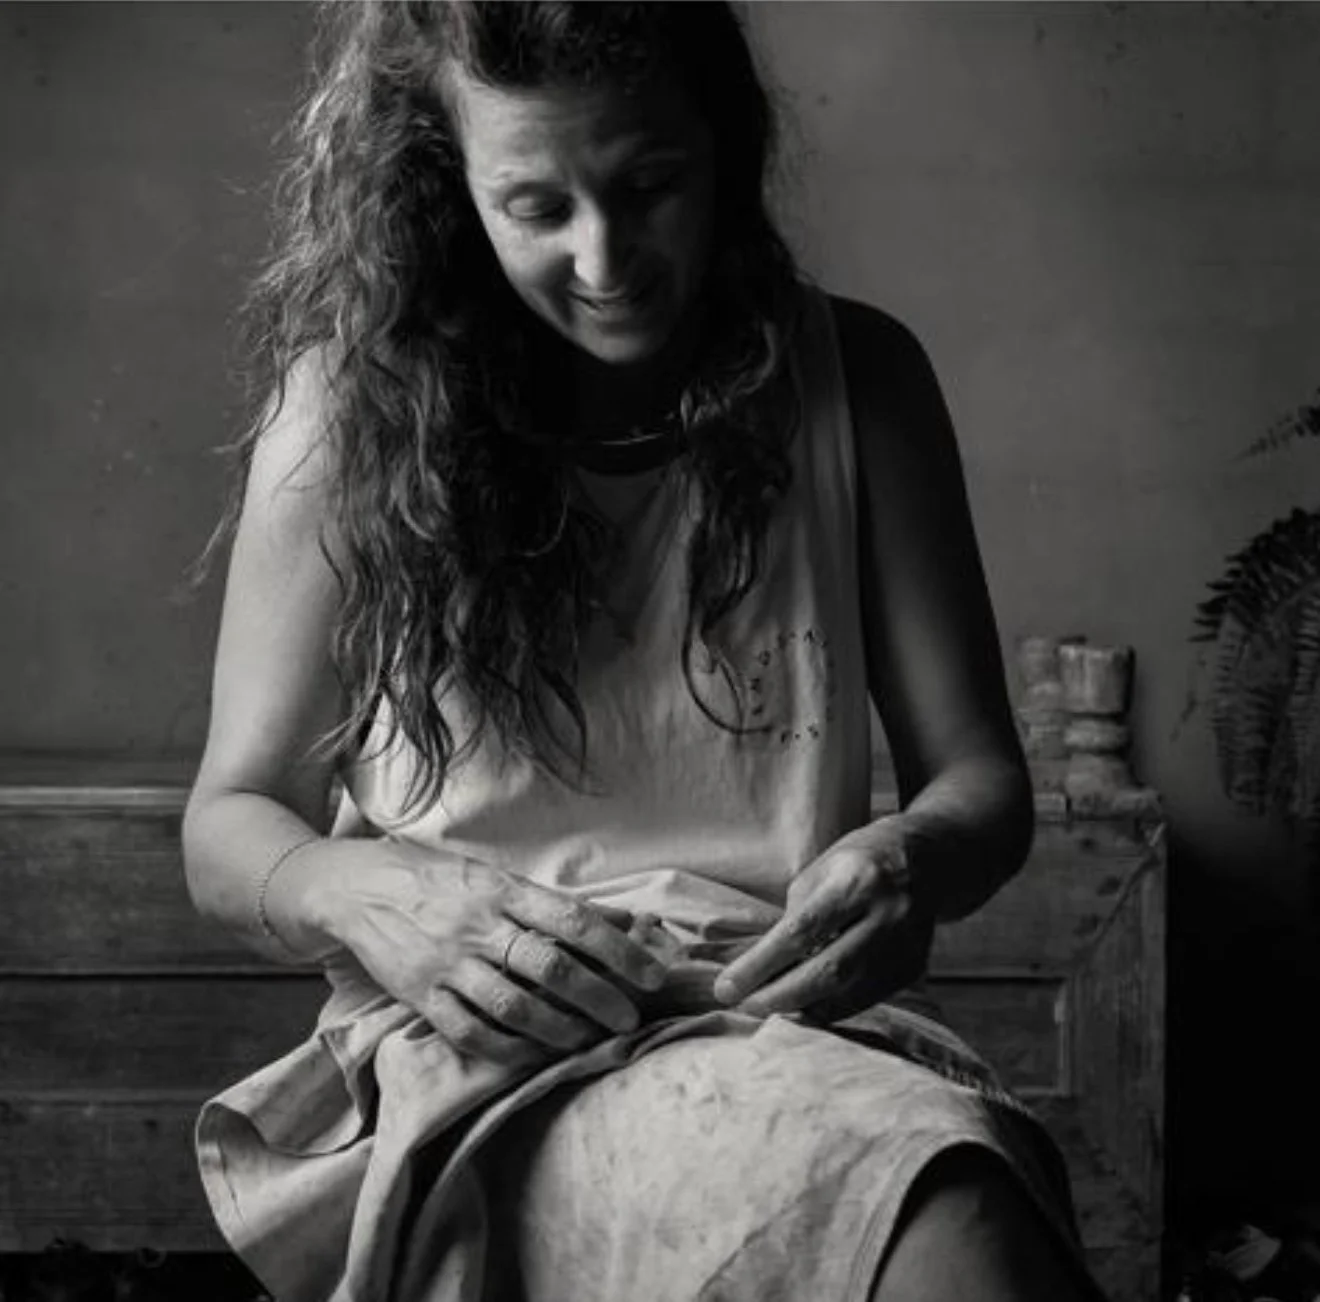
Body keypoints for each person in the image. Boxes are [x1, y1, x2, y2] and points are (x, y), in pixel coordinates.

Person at [183, 4, 1105, 1300]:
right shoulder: (345, 415)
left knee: (968, 1190)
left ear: (724, 145)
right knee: (954, 1214)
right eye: (536, 207)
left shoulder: (864, 383)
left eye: (648, 185)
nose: (605, 255)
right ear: (451, 186)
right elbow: (229, 822)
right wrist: (367, 895)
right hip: (481, 1052)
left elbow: (978, 781)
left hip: (778, 1021)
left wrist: (913, 859)